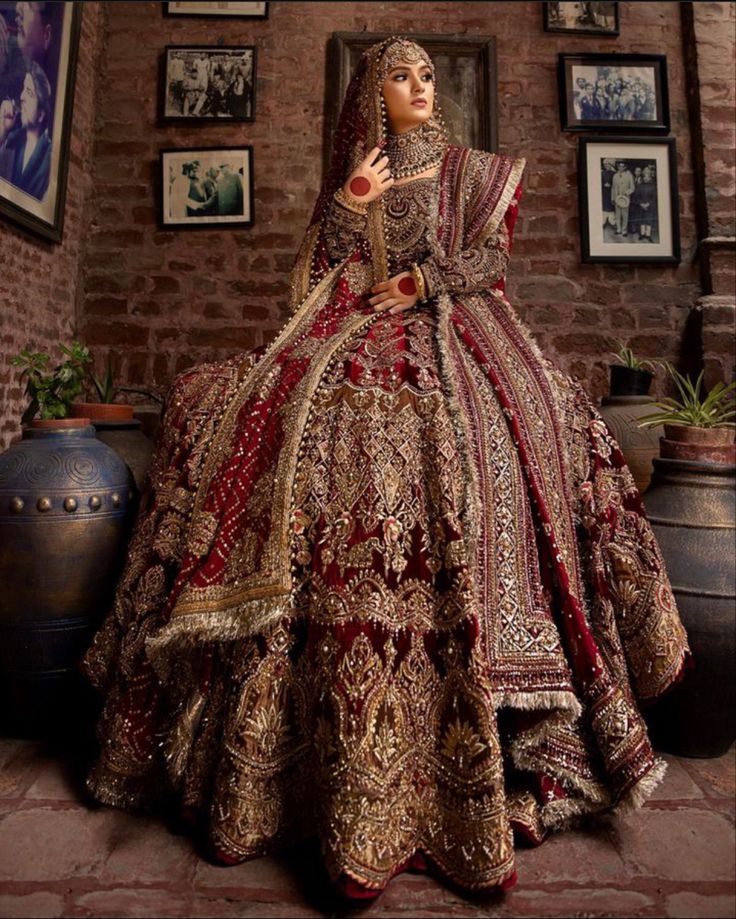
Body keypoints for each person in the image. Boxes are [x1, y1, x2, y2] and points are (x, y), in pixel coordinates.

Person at [82, 37, 689, 901]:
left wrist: (422, 285)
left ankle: (522, 735)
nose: (419, 87)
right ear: (372, 93)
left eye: (427, 75)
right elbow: (320, 280)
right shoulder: (359, 173)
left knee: (525, 418)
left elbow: (489, 262)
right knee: (247, 410)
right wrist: (353, 203)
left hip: (453, 320)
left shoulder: (472, 172)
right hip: (351, 325)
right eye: (400, 76)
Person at [1, 61, 51, 198]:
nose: (21, 97)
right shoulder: (10, 141)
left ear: (41, 114)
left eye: (29, 92)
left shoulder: (50, 157)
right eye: (23, 89)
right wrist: (3, 130)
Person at [632, 165, 658, 241]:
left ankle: (648, 235)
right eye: (645, 177)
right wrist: (641, 204)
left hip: (650, 207)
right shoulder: (640, 186)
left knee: (648, 221)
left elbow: (654, 198)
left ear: (650, 178)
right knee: (642, 220)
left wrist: (648, 204)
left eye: (648, 177)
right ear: (643, 177)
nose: (646, 178)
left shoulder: (653, 187)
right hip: (641, 206)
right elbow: (637, 197)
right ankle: (642, 234)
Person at [611, 159, 635, 236]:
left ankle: (624, 230)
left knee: (625, 215)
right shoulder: (615, 176)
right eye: (619, 166)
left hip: (625, 199)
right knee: (617, 214)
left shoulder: (629, 175)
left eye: (623, 166)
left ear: (625, 167)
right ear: (618, 167)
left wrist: (626, 193)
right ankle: (618, 229)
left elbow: (632, 188)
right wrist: (613, 198)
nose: (621, 168)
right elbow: (613, 188)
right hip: (617, 198)